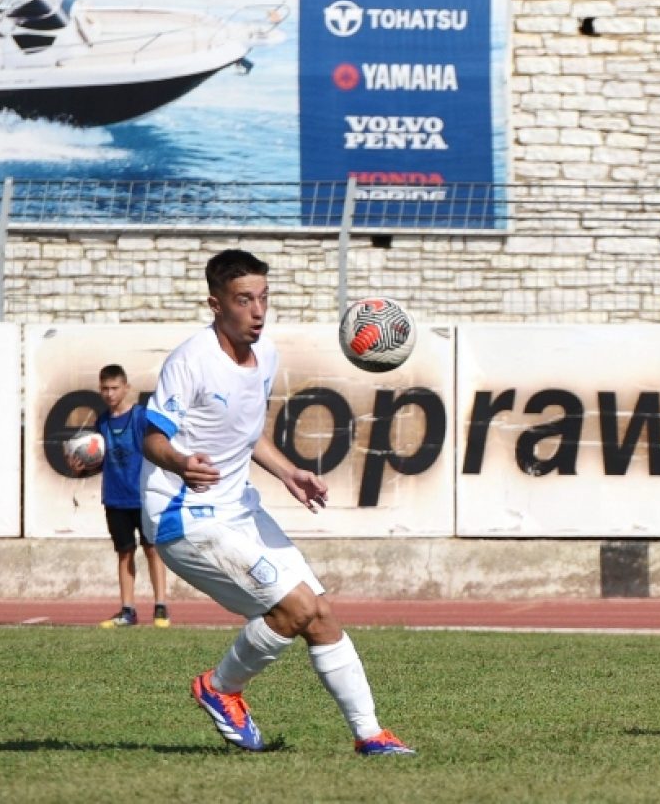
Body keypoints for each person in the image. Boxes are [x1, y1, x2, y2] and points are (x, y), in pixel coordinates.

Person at [140, 249, 413, 756]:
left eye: (264, 297)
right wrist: (179, 462)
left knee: (321, 614)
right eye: (244, 300)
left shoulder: (265, 356)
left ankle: (371, 735)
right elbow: (151, 437)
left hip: (238, 509)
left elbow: (247, 433)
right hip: (186, 517)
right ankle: (220, 688)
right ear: (216, 304)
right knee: (297, 606)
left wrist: (289, 472)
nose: (258, 311)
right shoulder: (191, 361)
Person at [73, 364, 171, 628]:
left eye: (114, 388)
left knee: (152, 550)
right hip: (115, 498)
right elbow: (100, 460)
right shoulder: (102, 422)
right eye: (104, 388)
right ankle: (128, 610)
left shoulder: (140, 417)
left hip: (143, 497)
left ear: (126, 388)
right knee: (124, 553)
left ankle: (161, 607)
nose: (109, 393)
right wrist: (83, 468)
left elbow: (156, 449)